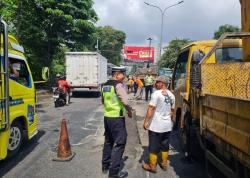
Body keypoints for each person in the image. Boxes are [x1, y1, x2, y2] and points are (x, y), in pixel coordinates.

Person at [101, 67, 133, 178]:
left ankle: (105, 165)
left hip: (107, 117)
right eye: (123, 75)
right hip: (117, 118)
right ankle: (114, 173)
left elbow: (103, 101)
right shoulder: (118, 85)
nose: (124, 77)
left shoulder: (104, 85)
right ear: (117, 74)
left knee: (108, 141)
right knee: (120, 143)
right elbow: (125, 101)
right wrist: (129, 111)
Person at [142, 76, 175, 173]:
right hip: (167, 126)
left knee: (153, 146)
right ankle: (164, 164)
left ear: (163, 84)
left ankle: (152, 166)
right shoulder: (171, 95)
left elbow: (151, 108)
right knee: (165, 145)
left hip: (156, 126)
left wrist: (146, 122)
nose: (155, 84)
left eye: (157, 82)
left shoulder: (156, 93)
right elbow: (172, 111)